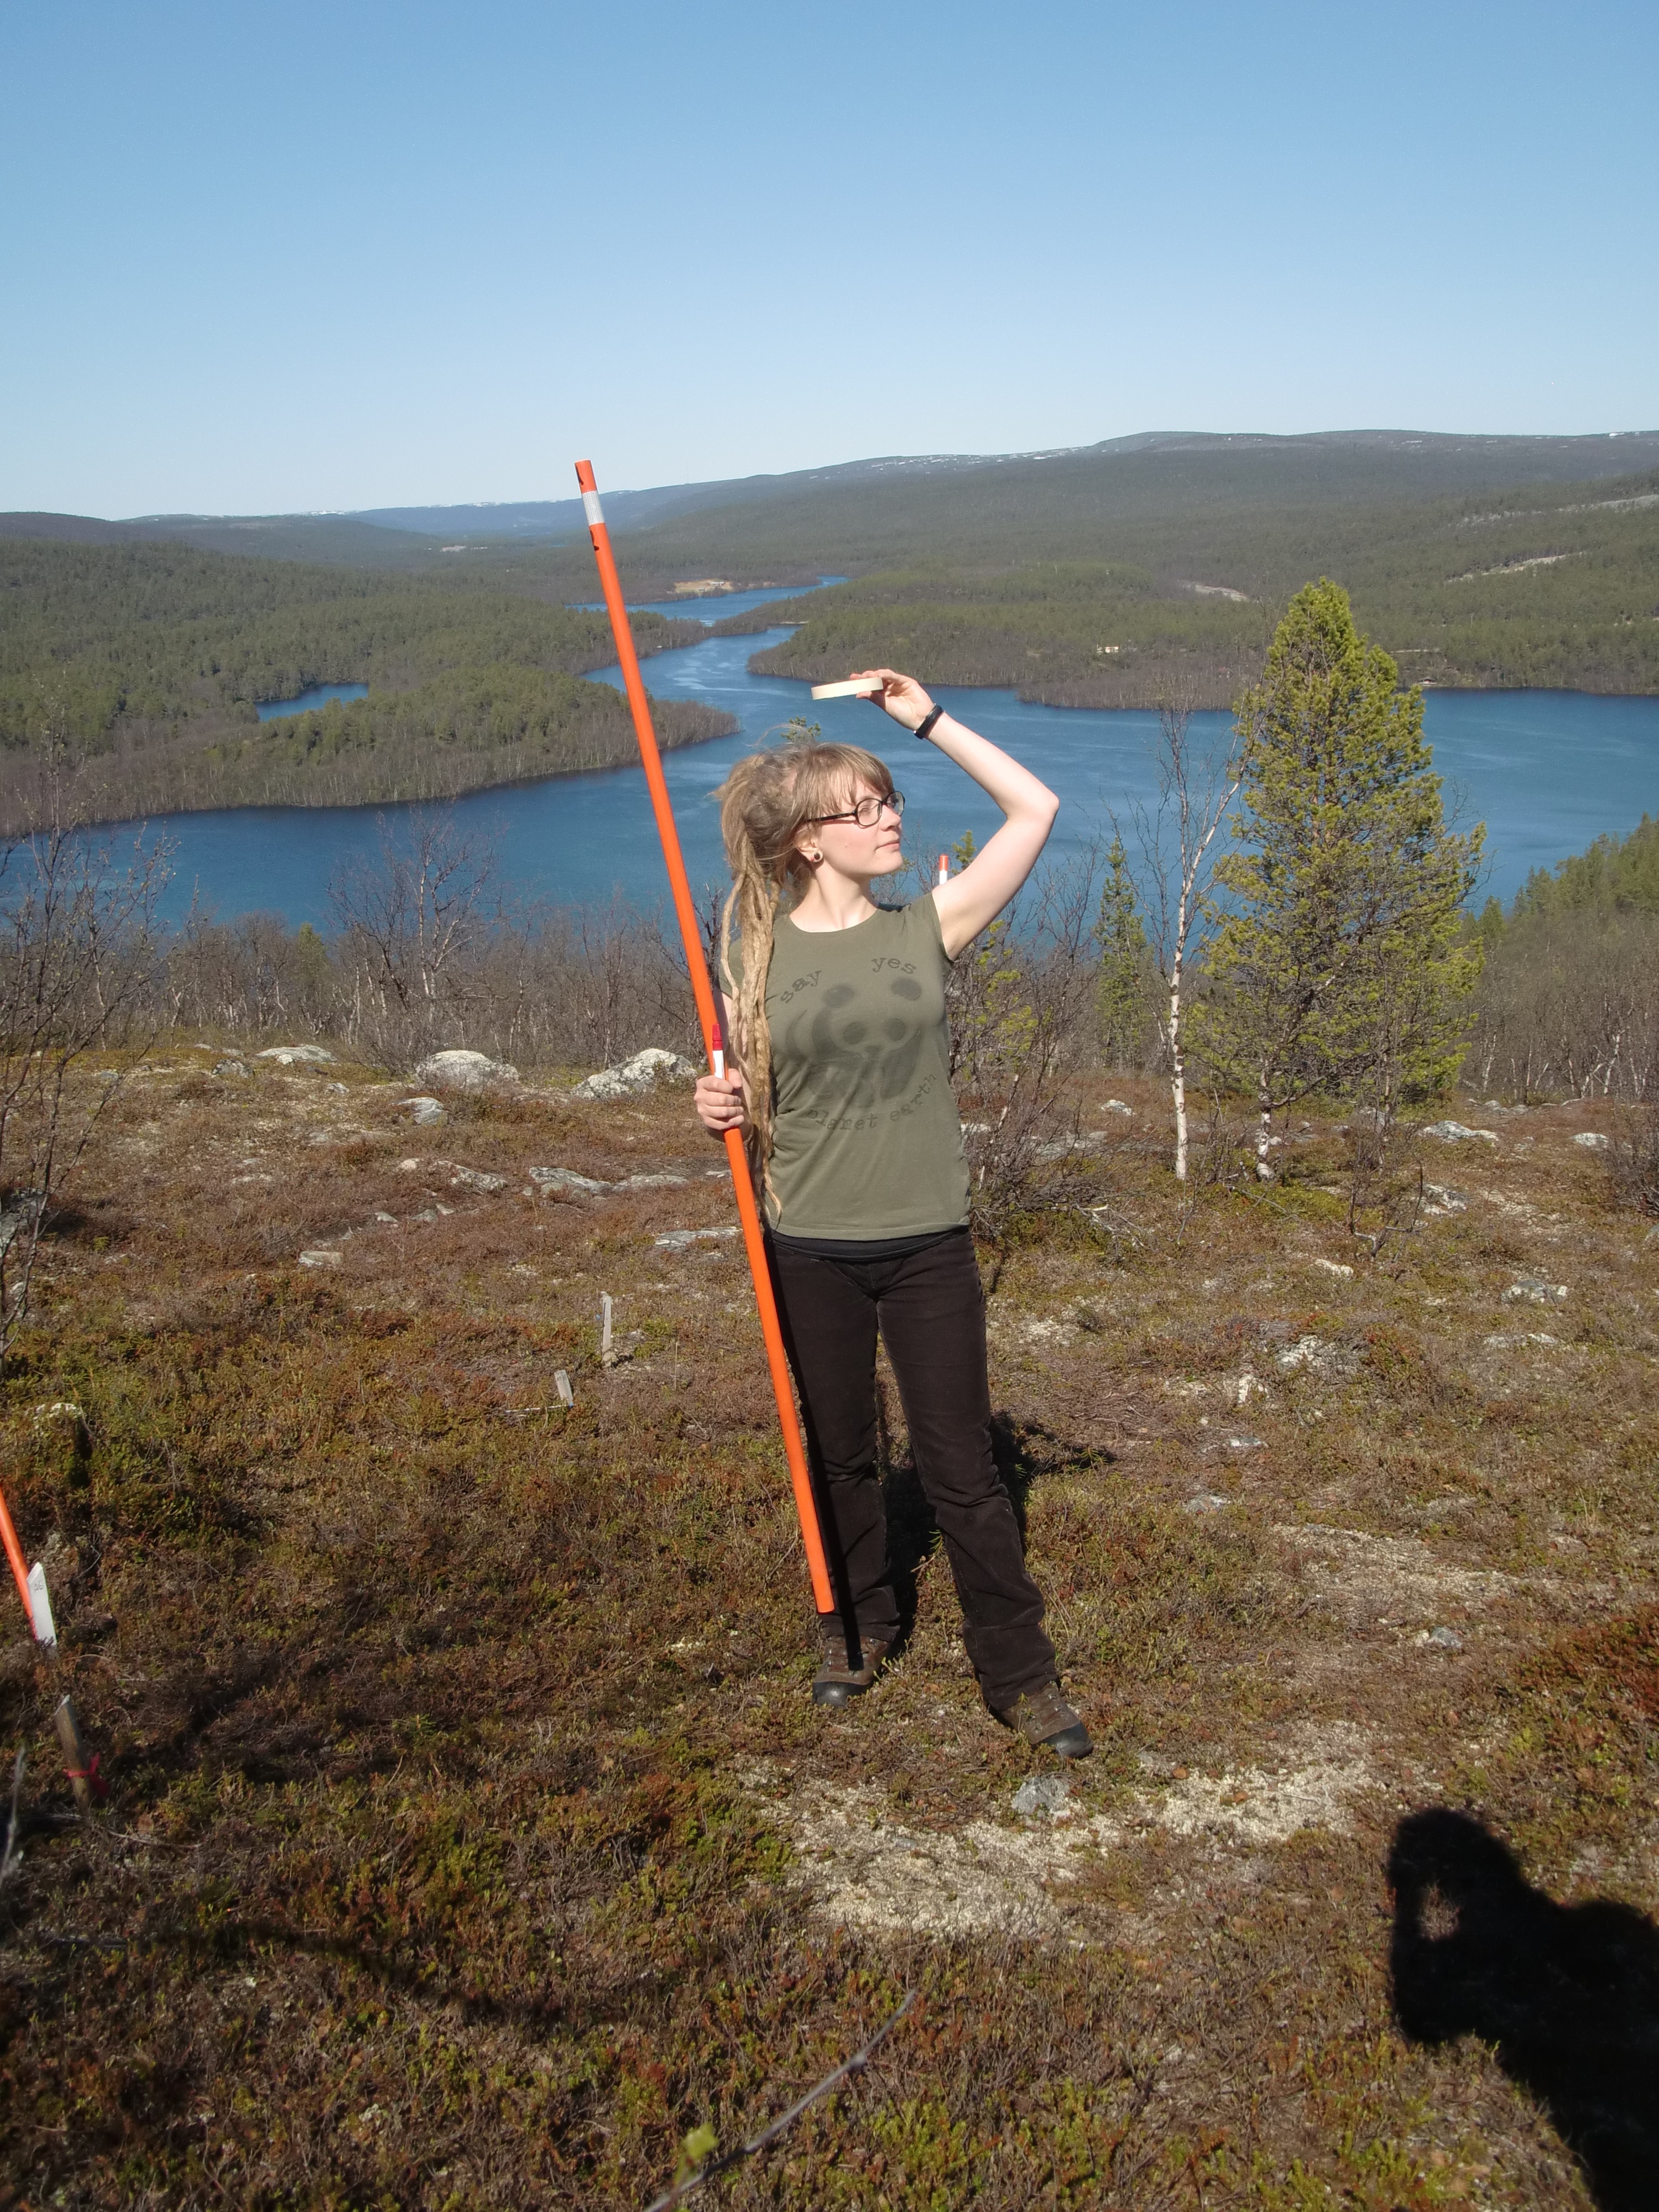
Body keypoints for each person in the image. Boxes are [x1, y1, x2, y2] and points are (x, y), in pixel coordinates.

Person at [695, 668, 1091, 1761]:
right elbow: (744, 1090)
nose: (890, 819)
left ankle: (1021, 1674)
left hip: (926, 1242)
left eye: (889, 799)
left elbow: (1037, 808)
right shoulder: (752, 955)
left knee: (963, 1467)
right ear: (807, 842)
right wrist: (713, 1103)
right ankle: (859, 1623)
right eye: (862, 809)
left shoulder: (930, 926)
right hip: (807, 1240)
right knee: (839, 1453)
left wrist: (925, 719)